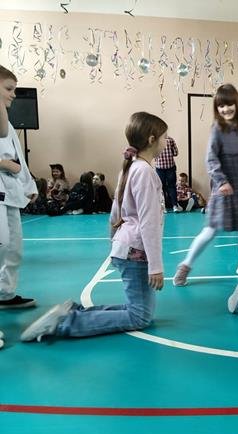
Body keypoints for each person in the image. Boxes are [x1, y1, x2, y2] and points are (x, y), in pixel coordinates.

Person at [20, 111, 167, 342]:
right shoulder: (144, 171)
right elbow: (148, 221)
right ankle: (64, 323)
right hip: (136, 251)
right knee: (139, 316)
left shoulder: (132, 167)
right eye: (164, 137)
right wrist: (155, 267)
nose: (166, 142)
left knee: (138, 310)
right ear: (151, 139)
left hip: (127, 247)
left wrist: (114, 243)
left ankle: (73, 312)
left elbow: (115, 213)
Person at [173, 84, 238, 287]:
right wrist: (222, 181)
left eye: (229, 104)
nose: (225, 109)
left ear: (237, 104)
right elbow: (211, 158)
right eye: (221, 106)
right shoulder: (217, 129)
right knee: (211, 229)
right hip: (224, 187)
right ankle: (185, 266)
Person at [0, 65, 38, 311]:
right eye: (8, 89)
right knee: (2, 244)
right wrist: (4, 164)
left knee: (14, 247)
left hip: (10, 191)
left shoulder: (8, 125)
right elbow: (9, 162)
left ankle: (5, 293)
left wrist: (28, 184)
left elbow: (19, 160)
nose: (14, 94)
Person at [155, 135, 180, 213]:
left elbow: (153, 154)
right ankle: (175, 206)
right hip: (170, 167)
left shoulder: (156, 140)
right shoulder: (170, 139)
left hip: (159, 167)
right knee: (172, 186)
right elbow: (176, 153)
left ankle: (164, 207)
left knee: (161, 188)